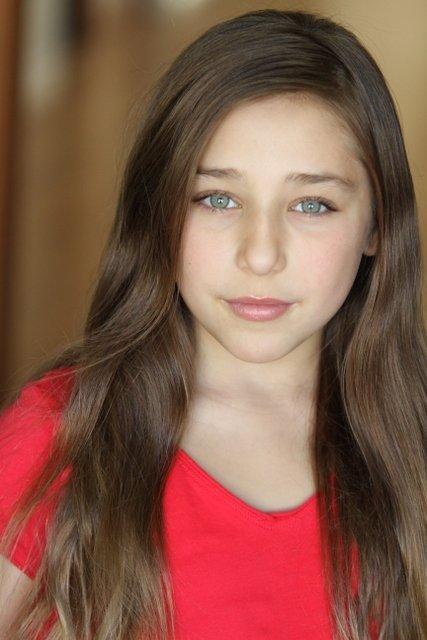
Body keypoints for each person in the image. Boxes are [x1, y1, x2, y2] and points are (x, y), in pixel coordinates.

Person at [0, 8, 425, 640]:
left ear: (376, 227)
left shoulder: (412, 443)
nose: (261, 254)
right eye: (218, 199)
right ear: (159, 210)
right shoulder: (63, 434)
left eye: (312, 204)